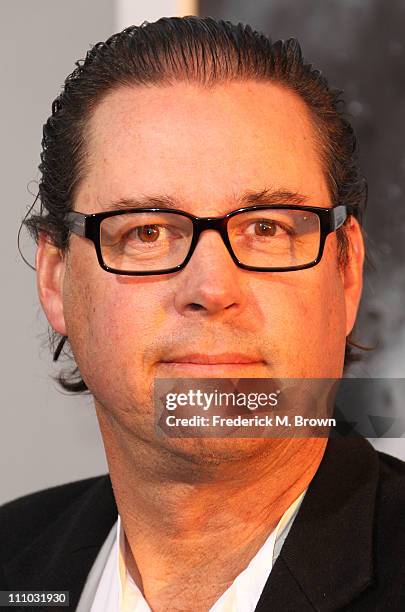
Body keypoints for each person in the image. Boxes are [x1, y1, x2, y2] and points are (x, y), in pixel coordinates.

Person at [1, 16, 404, 611]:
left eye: (266, 228)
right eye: (147, 231)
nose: (212, 288)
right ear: (57, 280)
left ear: (345, 274)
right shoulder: (14, 557)